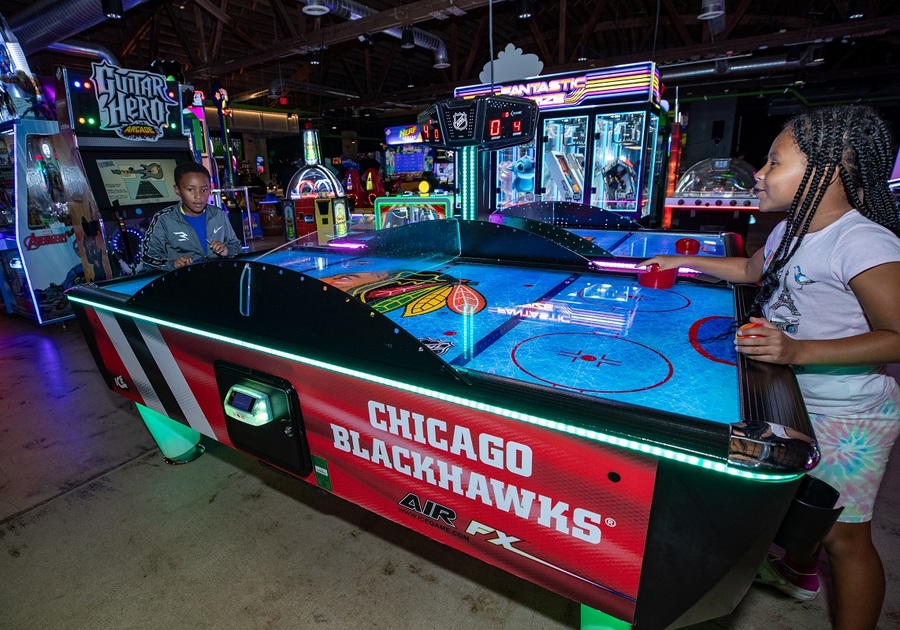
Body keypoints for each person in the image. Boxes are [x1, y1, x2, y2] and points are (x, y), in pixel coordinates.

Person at [642, 104, 900, 630]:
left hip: (848, 413)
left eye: (773, 162)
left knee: (844, 537)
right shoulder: (791, 229)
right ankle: (798, 573)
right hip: (791, 397)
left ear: (827, 173)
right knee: (800, 509)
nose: (758, 174)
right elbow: (749, 268)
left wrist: (797, 352)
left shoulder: (863, 242)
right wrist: (683, 262)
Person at [141, 162, 242, 271]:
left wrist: (226, 251)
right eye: (190, 190)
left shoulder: (218, 215)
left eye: (204, 190)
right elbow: (148, 257)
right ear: (177, 190)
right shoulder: (164, 219)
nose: (198, 196)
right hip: (183, 282)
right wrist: (172, 264)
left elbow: (236, 246)